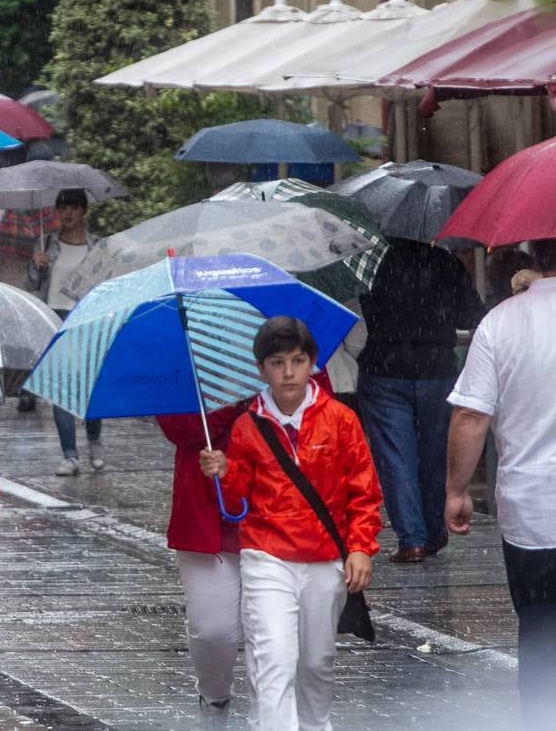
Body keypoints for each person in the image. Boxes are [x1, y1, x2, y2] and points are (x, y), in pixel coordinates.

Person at [200, 316, 382, 731]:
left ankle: (317, 726)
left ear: (313, 363)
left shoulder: (340, 420)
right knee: (274, 660)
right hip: (267, 556)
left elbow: (364, 490)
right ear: (261, 369)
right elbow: (235, 505)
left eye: (297, 361)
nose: (288, 372)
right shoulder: (247, 427)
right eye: (277, 362)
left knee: (317, 662)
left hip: (325, 557)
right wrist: (223, 471)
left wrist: (359, 546)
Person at [446, 238, 556, 730]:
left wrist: (456, 489)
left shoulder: (502, 322)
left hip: (532, 512)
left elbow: (471, 415)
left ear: (535, 256)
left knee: (539, 633)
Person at [356, 237, 483, 563]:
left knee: (394, 456)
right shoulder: (446, 262)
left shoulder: (373, 263)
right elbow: (470, 316)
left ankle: (411, 539)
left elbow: (362, 310)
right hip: (436, 368)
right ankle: (435, 530)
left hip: (384, 367)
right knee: (436, 451)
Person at [157, 402, 253, 728]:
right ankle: (214, 699)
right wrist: (229, 402)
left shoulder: (290, 361)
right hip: (205, 513)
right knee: (213, 630)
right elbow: (179, 428)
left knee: (271, 636)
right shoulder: (181, 362)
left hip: (275, 520)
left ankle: (270, 715)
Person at [25, 187, 103, 475]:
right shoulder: (45, 244)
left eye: (73, 207)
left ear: (83, 211)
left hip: (86, 319)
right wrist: (38, 266)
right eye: (62, 207)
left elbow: (106, 284)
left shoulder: (97, 246)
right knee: (61, 389)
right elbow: (32, 284)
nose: (67, 213)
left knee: (90, 390)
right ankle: (70, 454)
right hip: (53, 318)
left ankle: (94, 438)